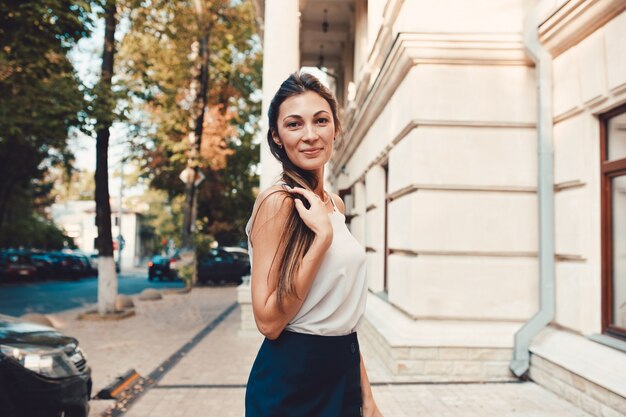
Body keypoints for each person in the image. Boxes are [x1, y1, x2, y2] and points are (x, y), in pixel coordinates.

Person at [244, 72, 383, 417]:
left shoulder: (334, 204)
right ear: (276, 137)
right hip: (292, 384)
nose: (310, 135)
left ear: (336, 128)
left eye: (321, 121)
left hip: (343, 372)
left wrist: (368, 400)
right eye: (294, 124)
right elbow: (269, 322)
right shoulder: (277, 202)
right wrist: (321, 241)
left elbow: (342, 318)